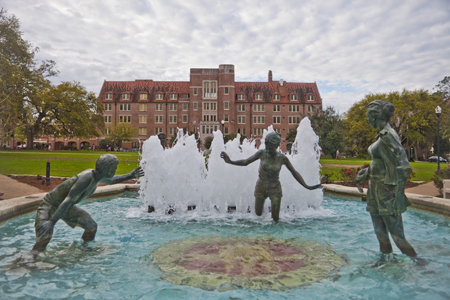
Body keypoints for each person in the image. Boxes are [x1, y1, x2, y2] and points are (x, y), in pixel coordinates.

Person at [29, 154, 144, 259]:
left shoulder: (97, 176)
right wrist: (51, 222)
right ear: (107, 168)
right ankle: (30, 259)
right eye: (114, 167)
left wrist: (130, 175)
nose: (115, 169)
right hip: (50, 204)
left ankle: (84, 248)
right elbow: (68, 200)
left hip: (66, 206)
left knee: (91, 226)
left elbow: (111, 180)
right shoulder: (87, 177)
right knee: (44, 234)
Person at [355, 100, 417, 257]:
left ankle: (419, 265)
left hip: (387, 191)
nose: (368, 120)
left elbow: (404, 166)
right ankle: (385, 262)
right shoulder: (382, 135)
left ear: (374, 116)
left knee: (398, 236)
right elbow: (383, 161)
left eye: (369, 117)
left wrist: (399, 195)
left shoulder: (389, 135)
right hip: (375, 190)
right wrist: (367, 173)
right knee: (380, 233)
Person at [220, 132, 322, 222]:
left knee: (275, 219)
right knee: (258, 214)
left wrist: (307, 186)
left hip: (275, 188)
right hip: (261, 186)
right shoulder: (261, 153)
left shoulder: (282, 158)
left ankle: (275, 239)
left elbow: (294, 172)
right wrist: (230, 161)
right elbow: (246, 162)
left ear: (277, 146)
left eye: (270, 147)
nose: (267, 149)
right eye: (266, 146)